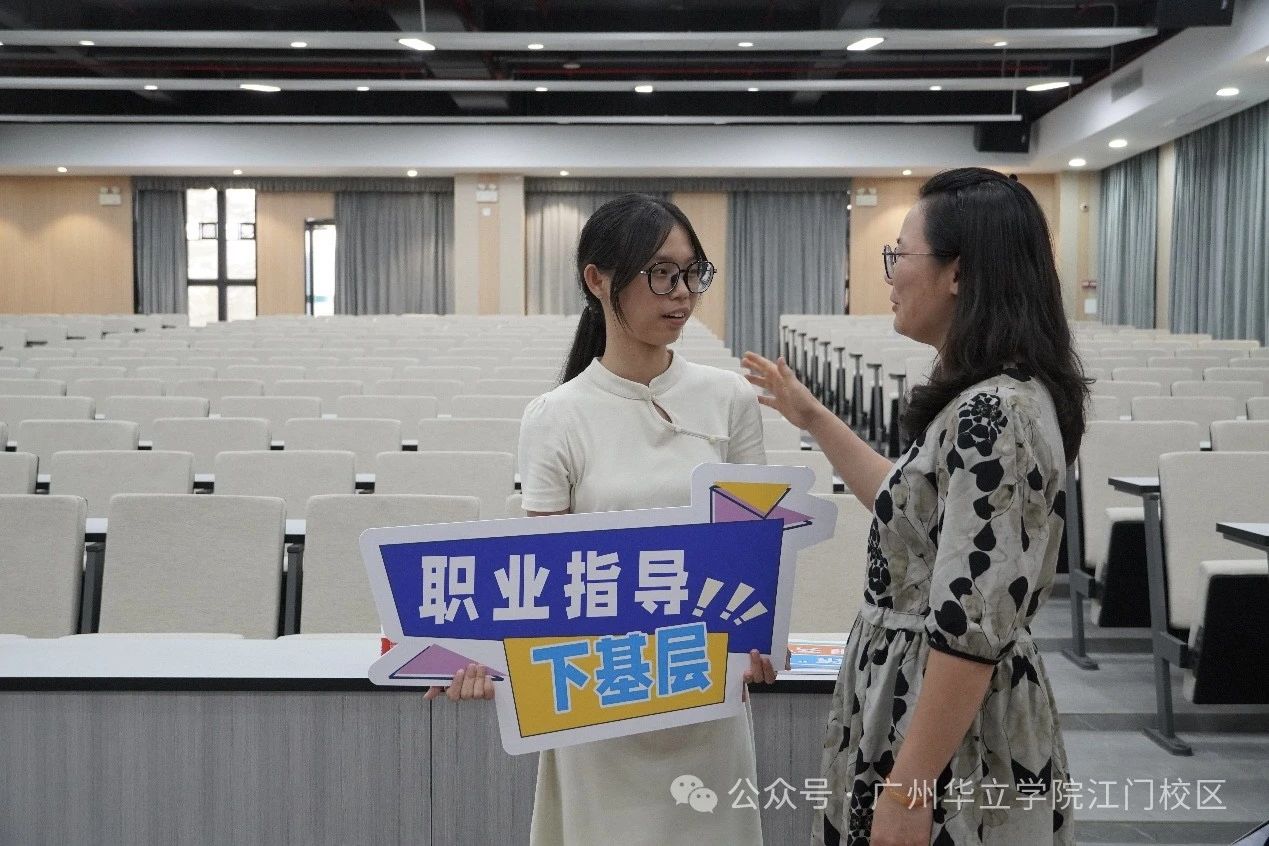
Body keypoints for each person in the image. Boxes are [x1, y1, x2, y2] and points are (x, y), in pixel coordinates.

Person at [744, 168, 1086, 845]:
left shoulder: (994, 415)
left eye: (898, 254)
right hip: (923, 710)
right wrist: (813, 418)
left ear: (958, 273)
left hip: (943, 731)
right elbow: (910, 514)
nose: (890, 275)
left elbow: (968, 625)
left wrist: (909, 788)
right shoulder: (991, 398)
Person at [428, 193, 776, 846]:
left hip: (703, 697)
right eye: (661, 274)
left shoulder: (728, 397)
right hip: (595, 703)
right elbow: (543, 580)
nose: (681, 293)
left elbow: (755, 555)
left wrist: (759, 638)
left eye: (692, 273)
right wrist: (475, 657)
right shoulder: (555, 416)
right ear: (596, 279)